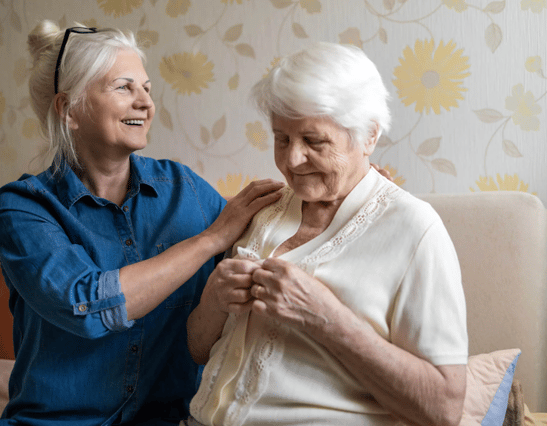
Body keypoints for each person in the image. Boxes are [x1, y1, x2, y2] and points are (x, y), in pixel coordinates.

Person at [0, 20, 285, 425]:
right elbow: (88, 307)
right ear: (69, 110)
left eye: (147, 89)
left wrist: (352, 191)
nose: (145, 103)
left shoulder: (183, 188)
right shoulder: (22, 209)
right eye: (123, 87)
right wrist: (208, 240)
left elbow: (268, 231)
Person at [183, 42, 469, 426]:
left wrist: (327, 318)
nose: (292, 160)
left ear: (368, 136)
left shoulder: (415, 230)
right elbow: (198, 350)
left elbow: (444, 409)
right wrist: (215, 298)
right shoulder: (261, 209)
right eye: (281, 138)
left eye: (314, 141)